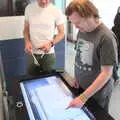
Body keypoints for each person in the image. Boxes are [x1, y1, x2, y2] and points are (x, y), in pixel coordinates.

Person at [65, 0, 118, 112]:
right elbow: (79, 55)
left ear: (89, 15)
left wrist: (84, 97)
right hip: (82, 86)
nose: (75, 27)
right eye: (73, 23)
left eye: (78, 22)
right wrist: (77, 76)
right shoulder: (82, 31)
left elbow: (106, 73)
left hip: (98, 93)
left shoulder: (106, 38)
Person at [24, 0, 65, 76]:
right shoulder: (29, 8)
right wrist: (27, 42)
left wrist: (51, 44)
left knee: (48, 80)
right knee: (31, 80)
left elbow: (62, 33)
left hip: (48, 54)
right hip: (32, 53)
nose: (43, 1)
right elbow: (26, 30)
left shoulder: (56, 11)